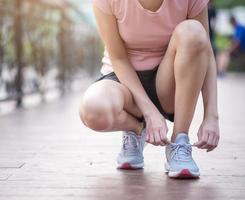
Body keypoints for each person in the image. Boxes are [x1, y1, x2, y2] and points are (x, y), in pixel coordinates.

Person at [79, 0, 220, 179]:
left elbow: (205, 53)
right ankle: (137, 128)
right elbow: (119, 58)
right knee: (92, 110)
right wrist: (149, 112)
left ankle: (179, 142)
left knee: (194, 31)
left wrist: (211, 116)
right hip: (123, 81)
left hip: (168, 82)